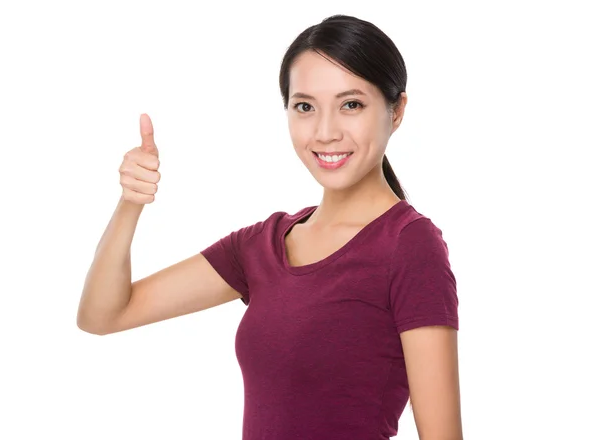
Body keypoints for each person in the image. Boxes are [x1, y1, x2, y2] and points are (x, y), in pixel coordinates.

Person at [77, 14, 462, 440]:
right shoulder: (261, 245)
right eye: (305, 107)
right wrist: (131, 203)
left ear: (397, 111)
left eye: (351, 104)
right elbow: (103, 315)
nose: (326, 131)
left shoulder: (409, 245)